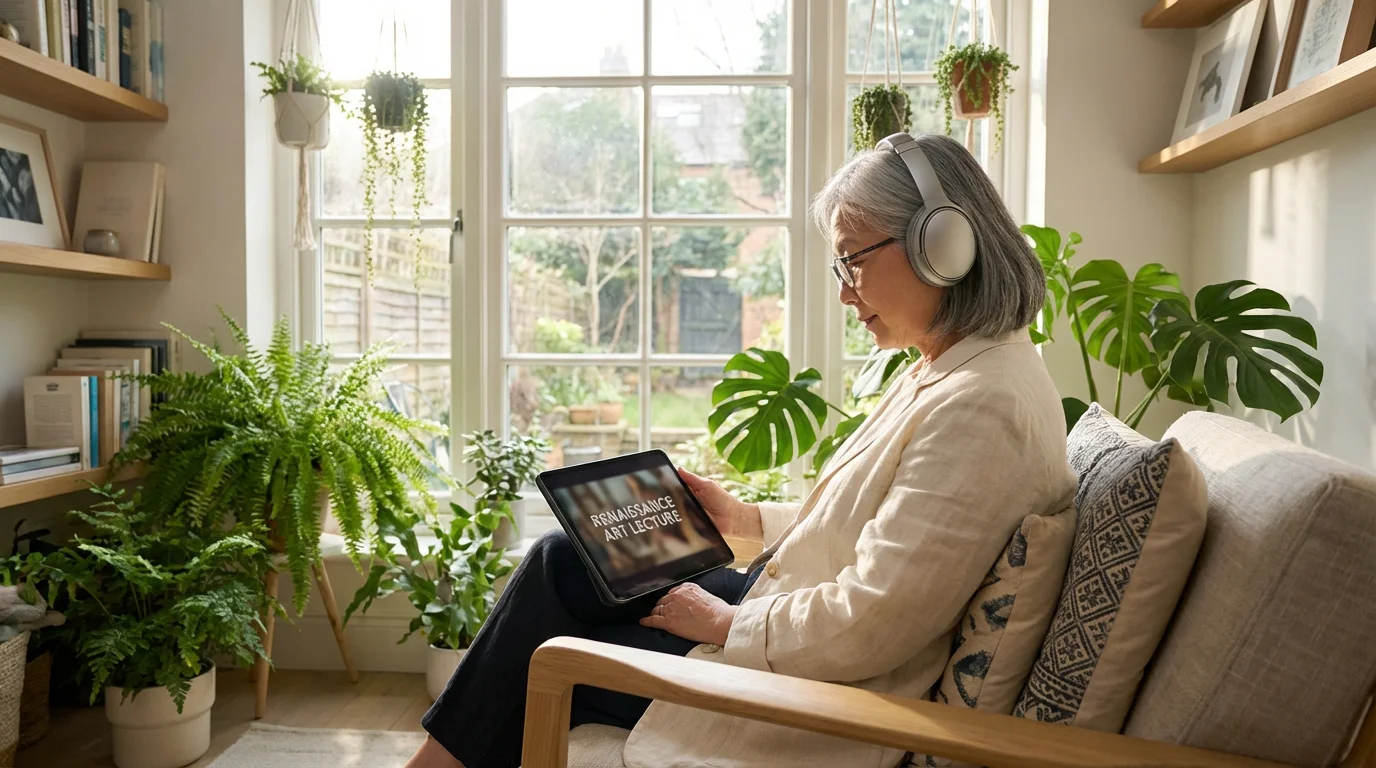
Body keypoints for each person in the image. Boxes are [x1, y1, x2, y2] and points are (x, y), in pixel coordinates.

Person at [406, 132, 1076, 768]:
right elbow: (872, 528)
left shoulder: (985, 407)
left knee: (544, 649)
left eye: (854, 259)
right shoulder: (953, 369)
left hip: (814, 696)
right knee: (567, 559)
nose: (844, 291)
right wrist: (744, 521)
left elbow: (875, 619)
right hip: (785, 615)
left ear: (943, 245)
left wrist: (725, 624)